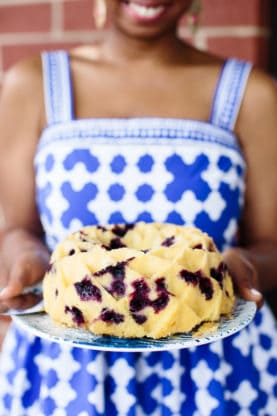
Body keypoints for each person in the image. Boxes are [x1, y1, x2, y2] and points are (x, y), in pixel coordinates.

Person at [0, 0, 276, 414]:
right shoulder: (34, 82)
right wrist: (27, 257)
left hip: (216, 377)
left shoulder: (251, 93)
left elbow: (270, 243)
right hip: (68, 377)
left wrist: (244, 267)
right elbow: (17, 227)